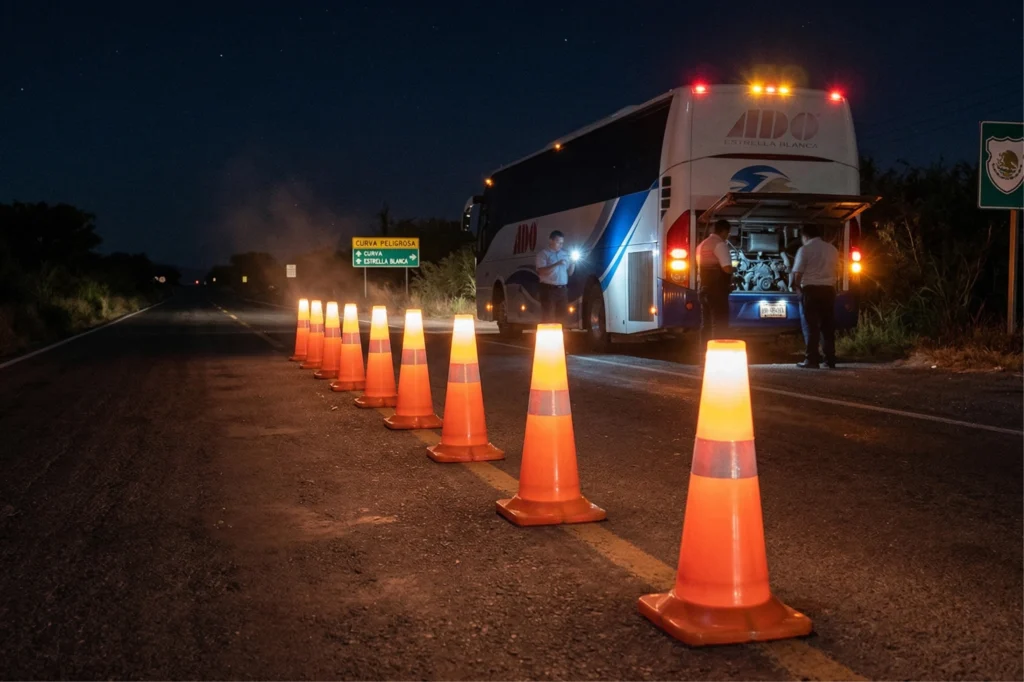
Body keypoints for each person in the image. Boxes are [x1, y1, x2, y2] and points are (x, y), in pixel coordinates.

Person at [790, 223, 839, 369]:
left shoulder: (805, 249)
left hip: (811, 290)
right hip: (829, 290)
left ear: (805, 236)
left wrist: (797, 288)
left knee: (811, 326)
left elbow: (797, 273)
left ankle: (811, 359)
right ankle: (830, 359)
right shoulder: (832, 249)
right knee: (827, 326)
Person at [697, 219, 734, 351]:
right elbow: (727, 268)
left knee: (706, 324)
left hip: (704, 289)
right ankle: (719, 353)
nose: (727, 236)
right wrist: (734, 271)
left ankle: (704, 354)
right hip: (717, 290)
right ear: (724, 231)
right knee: (720, 324)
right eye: (727, 233)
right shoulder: (719, 244)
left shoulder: (702, 245)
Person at [535, 230, 575, 323]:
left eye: (562, 243)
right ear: (551, 241)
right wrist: (557, 264)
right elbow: (541, 271)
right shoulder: (543, 254)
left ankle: (561, 332)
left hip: (562, 290)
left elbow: (570, 273)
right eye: (558, 242)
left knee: (562, 317)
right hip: (548, 289)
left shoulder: (564, 254)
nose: (560, 245)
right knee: (548, 317)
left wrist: (573, 263)